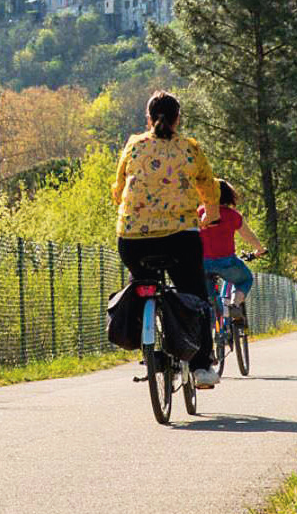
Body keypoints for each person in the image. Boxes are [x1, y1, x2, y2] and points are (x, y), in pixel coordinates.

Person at [111, 91, 224, 388]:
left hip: (133, 239)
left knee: (141, 284)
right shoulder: (189, 148)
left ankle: (148, 347)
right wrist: (210, 214)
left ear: (148, 119)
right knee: (195, 295)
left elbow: (119, 187)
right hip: (179, 237)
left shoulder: (134, 145)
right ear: (178, 119)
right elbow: (209, 187)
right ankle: (201, 367)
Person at [200, 179, 266, 313]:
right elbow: (249, 236)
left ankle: (211, 325)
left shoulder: (201, 212)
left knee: (208, 299)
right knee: (245, 279)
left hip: (203, 262)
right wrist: (260, 249)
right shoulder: (233, 215)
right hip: (227, 262)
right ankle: (235, 306)